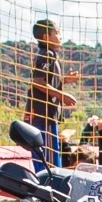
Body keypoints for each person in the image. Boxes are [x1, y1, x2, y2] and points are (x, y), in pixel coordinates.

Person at [25, 18, 80, 168]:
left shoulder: (49, 55)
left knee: (49, 158)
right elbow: (38, 81)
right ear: (45, 37)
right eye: (57, 32)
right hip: (44, 116)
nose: (60, 36)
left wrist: (63, 81)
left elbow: (46, 82)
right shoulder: (46, 54)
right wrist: (62, 96)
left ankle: (48, 184)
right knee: (48, 162)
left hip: (46, 116)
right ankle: (47, 187)